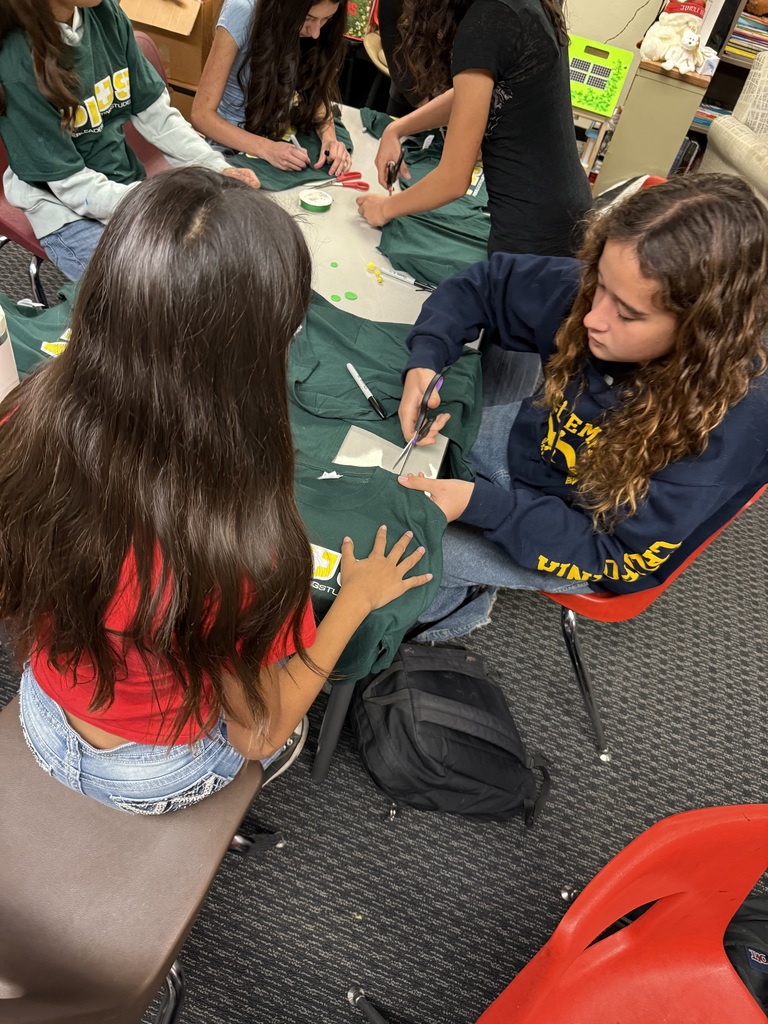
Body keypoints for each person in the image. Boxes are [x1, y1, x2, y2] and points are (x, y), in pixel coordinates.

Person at [1, 166, 431, 813]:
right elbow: (260, 732)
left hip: (43, 711)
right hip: (149, 771)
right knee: (285, 724)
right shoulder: (239, 546)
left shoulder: (20, 420)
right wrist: (358, 597)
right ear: (260, 351)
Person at [395, 174, 768, 642]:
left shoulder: (725, 428)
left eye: (627, 314)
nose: (592, 317)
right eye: (599, 285)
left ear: (700, 331)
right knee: (398, 454)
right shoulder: (613, 289)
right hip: (536, 444)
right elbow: (485, 285)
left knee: (414, 557)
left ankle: (443, 616)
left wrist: (484, 507)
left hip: (595, 538)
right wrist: (427, 358)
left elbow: (615, 556)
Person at [0, 0, 259, 282]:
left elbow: (158, 116)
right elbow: (71, 185)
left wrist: (215, 167)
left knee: (209, 259)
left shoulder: (104, 12)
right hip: (64, 209)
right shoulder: (16, 61)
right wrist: (153, 202)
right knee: (149, 288)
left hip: (122, 185)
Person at [356, 0, 592, 258]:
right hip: (565, 213)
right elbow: (473, 95)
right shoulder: (517, 7)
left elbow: (452, 180)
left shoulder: (488, 19)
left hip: (532, 233)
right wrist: (397, 129)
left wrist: (385, 209)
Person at [192, 0, 351, 176]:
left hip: (276, 136)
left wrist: (329, 139)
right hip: (231, 148)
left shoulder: (315, 29)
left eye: (327, 19)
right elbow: (201, 115)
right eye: (308, 18)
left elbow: (312, 92)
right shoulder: (242, 10)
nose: (315, 33)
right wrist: (267, 149)